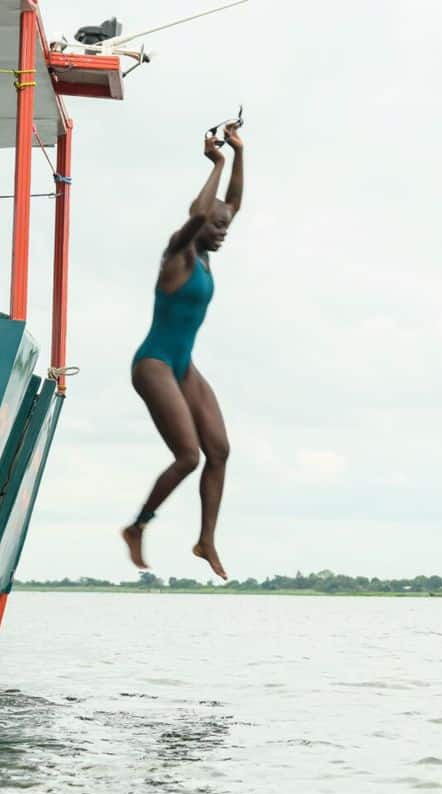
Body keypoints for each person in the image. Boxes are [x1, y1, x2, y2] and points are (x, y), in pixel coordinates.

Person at [122, 122, 244, 579]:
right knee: (188, 456)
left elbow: (230, 204)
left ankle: (205, 539)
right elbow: (199, 211)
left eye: (226, 228)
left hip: (183, 366)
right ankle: (137, 527)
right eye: (216, 227)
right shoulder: (179, 253)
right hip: (152, 363)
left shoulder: (208, 255)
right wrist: (216, 162)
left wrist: (238, 153)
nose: (223, 231)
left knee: (220, 450)